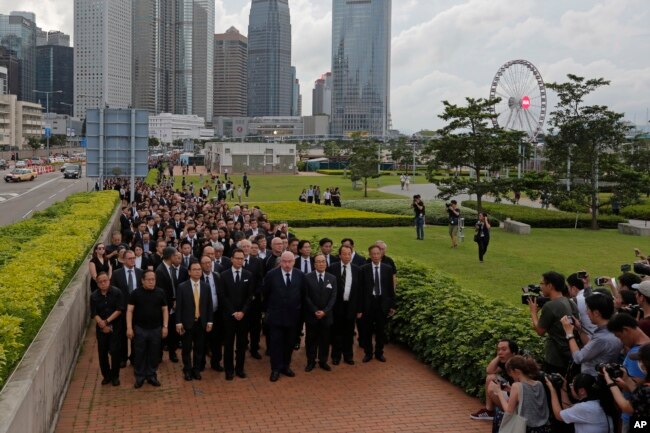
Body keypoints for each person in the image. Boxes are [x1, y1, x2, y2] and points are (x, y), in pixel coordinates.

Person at [263, 251, 305, 382]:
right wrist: (268, 311)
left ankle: (285, 366)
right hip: (276, 317)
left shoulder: (300, 275)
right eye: (285, 261)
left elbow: (303, 295)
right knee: (276, 344)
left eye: (290, 261)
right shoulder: (271, 275)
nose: (287, 264)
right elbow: (266, 294)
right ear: (280, 262)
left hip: (293, 317)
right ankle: (275, 369)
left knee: (289, 343)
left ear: (294, 262)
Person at [606, 313, 650, 432]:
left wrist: (612, 382)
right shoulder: (647, 348)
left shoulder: (639, 355)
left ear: (626, 330)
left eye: (619, 336)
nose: (621, 341)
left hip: (636, 418)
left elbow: (637, 390)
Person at [561, 292, 622, 376]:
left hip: (592, 379)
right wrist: (579, 329)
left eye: (588, 309)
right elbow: (591, 347)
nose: (586, 312)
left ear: (596, 313)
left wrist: (569, 333)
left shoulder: (601, 338)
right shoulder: (613, 329)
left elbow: (578, 358)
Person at [126, 270, 169, 388]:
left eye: (153, 279)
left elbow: (165, 310)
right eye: (149, 280)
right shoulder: (135, 293)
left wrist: (165, 326)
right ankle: (139, 377)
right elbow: (130, 310)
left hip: (156, 329)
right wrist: (129, 328)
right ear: (142, 281)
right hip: (140, 329)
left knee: (154, 353)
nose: (151, 282)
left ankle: (151, 375)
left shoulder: (160, 292)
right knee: (139, 353)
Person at [487, 355, 552, 433]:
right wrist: (511, 390)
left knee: (498, 413)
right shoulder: (539, 384)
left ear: (517, 372)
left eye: (512, 375)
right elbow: (528, 397)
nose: (512, 378)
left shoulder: (516, 386)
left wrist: (499, 392)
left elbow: (508, 411)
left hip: (525, 427)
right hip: (543, 427)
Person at [528, 271, 575, 374]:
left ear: (550, 286)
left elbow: (540, 331)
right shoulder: (567, 301)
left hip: (555, 357)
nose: (540, 287)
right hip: (568, 353)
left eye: (542, 284)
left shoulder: (550, 306)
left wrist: (533, 313)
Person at [176, 261, 213, 381]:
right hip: (187, 324)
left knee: (199, 349)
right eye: (195, 269)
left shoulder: (206, 286)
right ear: (189, 272)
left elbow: (209, 305)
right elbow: (179, 307)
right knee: (186, 349)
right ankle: (187, 370)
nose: (197, 271)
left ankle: (196, 370)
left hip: (201, 323)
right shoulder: (182, 287)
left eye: (199, 269)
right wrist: (178, 322)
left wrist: (210, 321)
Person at [219, 249, 253, 380]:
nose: (240, 261)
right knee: (228, 343)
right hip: (229, 316)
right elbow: (223, 296)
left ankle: (240, 368)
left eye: (242, 258)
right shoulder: (223, 275)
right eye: (237, 258)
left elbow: (250, 296)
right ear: (232, 259)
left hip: (243, 316)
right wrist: (233, 312)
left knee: (241, 344)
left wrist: (243, 311)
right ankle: (229, 370)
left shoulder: (248, 275)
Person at [359, 245, 395, 363]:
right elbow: (360, 290)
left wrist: (392, 305)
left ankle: (379, 353)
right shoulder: (364, 269)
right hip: (368, 304)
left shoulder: (387, 269)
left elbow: (390, 289)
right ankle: (368, 353)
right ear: (369, 255)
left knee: (381, 330)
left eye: (377, 254)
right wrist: (359, 308)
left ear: (381, 254)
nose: (375, 256)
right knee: (367, 330)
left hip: (382, 303)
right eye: (373, 254)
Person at [328, 245, 362, 366]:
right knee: (336, 332)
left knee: (349, 332)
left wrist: (359, 309)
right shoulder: (332, 268)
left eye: (349, 254)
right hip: (337, 306)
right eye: (344, 254)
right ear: (340, 255)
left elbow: (360, 291)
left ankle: (348, 356)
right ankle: (336, 356)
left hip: (351, 306)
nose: (347, 256)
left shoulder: (357, 270)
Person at [546, 373, 613, 433]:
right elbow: (567, 409)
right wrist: (563, 388)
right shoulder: (596, 402)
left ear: (582, 391)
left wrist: (552, 389)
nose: (571, 387)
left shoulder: (585, 408)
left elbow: (558, 415)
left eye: (572, 385)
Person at [303, 254, 337, 372]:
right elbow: (306, 297)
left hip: (326, 316)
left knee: (325, 340)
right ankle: (310, 361)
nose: (321, 264)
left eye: (323, 261)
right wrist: (314, 310)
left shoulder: (332, 278)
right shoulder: (307, 277)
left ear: (326, 263)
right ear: (314, 264)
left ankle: (323, 361)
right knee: (311, 339)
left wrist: (325, 311)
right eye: (318, 262)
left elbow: (333, 297)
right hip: (312, 315)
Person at [470, 339, 519, 421]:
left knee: (493, 389)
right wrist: (499, 356)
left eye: (504, 349)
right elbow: (489, 371)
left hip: (519, 397)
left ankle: (510, 412)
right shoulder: (507, 361)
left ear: (513, 353)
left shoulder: (520, 366)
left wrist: (506, 390)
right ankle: (489, 411)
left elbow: (524, 391)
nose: (500, 352)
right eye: (498, 349)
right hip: (512, 390)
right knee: (490, 378)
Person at [90, 272, 124, 386]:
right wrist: (102, 324)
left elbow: (119, 310)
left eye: (105, 281)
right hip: (101, 329)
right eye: (101, 282)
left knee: (115, 352)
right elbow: (94, 313)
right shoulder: (94, 296)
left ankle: (115, 376)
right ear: (97, 283)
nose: (103, 283)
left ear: (109, 280)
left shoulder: (117, 292)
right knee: (102, 353)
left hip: (115, 327)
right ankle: (106, 376)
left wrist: (107, 322)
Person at [111, 250, 143, 368]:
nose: (132, 260)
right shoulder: (116, 274)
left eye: (134, 258)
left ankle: (134, 357)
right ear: (124, 260)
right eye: (130, 258)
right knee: (122, 334)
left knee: (137, 333)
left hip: (137, 310)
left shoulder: (140, 273)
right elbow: (113, 293)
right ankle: (123, 358)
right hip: (122, 309)